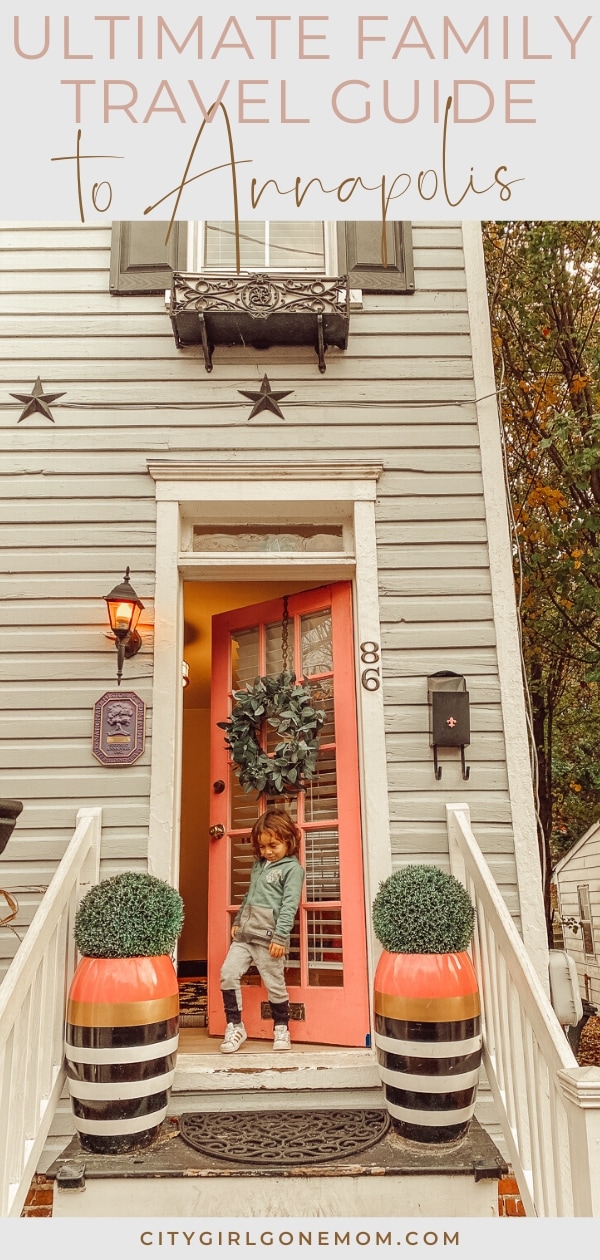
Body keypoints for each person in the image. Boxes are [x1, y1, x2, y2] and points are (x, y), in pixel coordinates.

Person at [219, 809, 305, 1053]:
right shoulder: (259, 865)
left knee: (274, 983)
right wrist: (238, 920)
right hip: (245, 935)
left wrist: (280, 937)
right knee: (227, 973)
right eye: (263, 847)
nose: (268, 851)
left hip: (269, 940)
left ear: (289, 840)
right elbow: (249, 895)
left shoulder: (292, 869)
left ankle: (281, 1028)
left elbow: (290, 906)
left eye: (274, 845)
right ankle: (235, 1026)